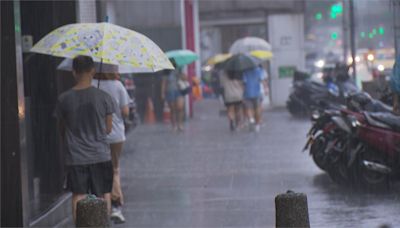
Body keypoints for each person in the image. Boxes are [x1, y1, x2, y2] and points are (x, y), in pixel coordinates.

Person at [55, 55, 115, 223]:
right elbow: (108, 129)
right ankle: (102, 224)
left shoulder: (64, 99)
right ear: (93, 71)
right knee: (103, 194)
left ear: (74, 72)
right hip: (100, 155)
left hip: (76, 157)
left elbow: (61, 129)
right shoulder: (104, 97)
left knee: (78, 195)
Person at [92, 65, 130, 224]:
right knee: (114, 169)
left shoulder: (92, 85)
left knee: (100, 170)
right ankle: (116, 206)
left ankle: (105, 207)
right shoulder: (118, 86)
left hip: (98, 135)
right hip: (116, 136)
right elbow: (126, 112)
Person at [161, 62, 187, 131]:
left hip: (179, 91)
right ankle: (174, 125)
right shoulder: (166, 72)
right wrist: (162, 93)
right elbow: (164, 83)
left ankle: (180, 124)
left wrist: (181, 74)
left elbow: (185, 79)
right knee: (173, 110)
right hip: (170, 91)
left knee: (180, 108)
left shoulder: (179, 70)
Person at [242, 65, 267, 132]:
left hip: (247, 93)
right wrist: (265, 89)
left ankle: (251, 119)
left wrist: (242, 94)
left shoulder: (245, 72)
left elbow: (244, 83)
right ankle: (257, 124)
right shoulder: (258, 70)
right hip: (257, 93)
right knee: (257, 108)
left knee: (249, 108)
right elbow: (262, 80)